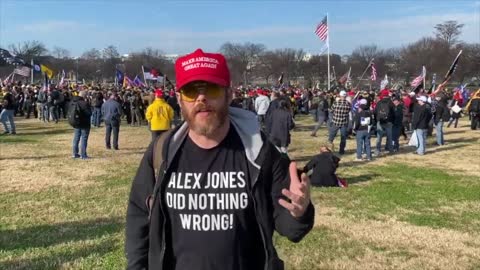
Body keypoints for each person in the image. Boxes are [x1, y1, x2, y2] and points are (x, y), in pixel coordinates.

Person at [126, 48, 314, 270]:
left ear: (229, 94)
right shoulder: (161, 151)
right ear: (179, 99)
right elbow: (139, 217)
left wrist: (300, 212)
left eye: (212, 89)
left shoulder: (260, 151)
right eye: (190, 91)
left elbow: (290, 228)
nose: (201, 98)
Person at [71, 90, 92, 159]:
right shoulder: (84, 103)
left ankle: (75, 153)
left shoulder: (73, 102)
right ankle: (83, 155)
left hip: (76, 122)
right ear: (85, 96)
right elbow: (89, 113)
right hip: (84, 123)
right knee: (84, 138)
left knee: (76, 138)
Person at [327, 90, 350, 155]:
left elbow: (331, 110)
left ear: (340, 95)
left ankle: (329, 149)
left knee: (331, 136)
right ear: (345, 96)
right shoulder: (348, 104)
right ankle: (341, 150)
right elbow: (348, 111)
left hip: (335, 121)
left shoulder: (335, 103)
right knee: (343, 137)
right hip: (344, 122)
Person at [374, 90, 395, 156]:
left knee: (379, 137)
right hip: (389, 122)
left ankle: (378, 150)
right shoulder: (391, 103)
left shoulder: (379, 102)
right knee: (389, 136)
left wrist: (376, 120)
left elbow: (375, 112)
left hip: (380, 121)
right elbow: (394, 113)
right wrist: (392, 121)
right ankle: (390, 150)